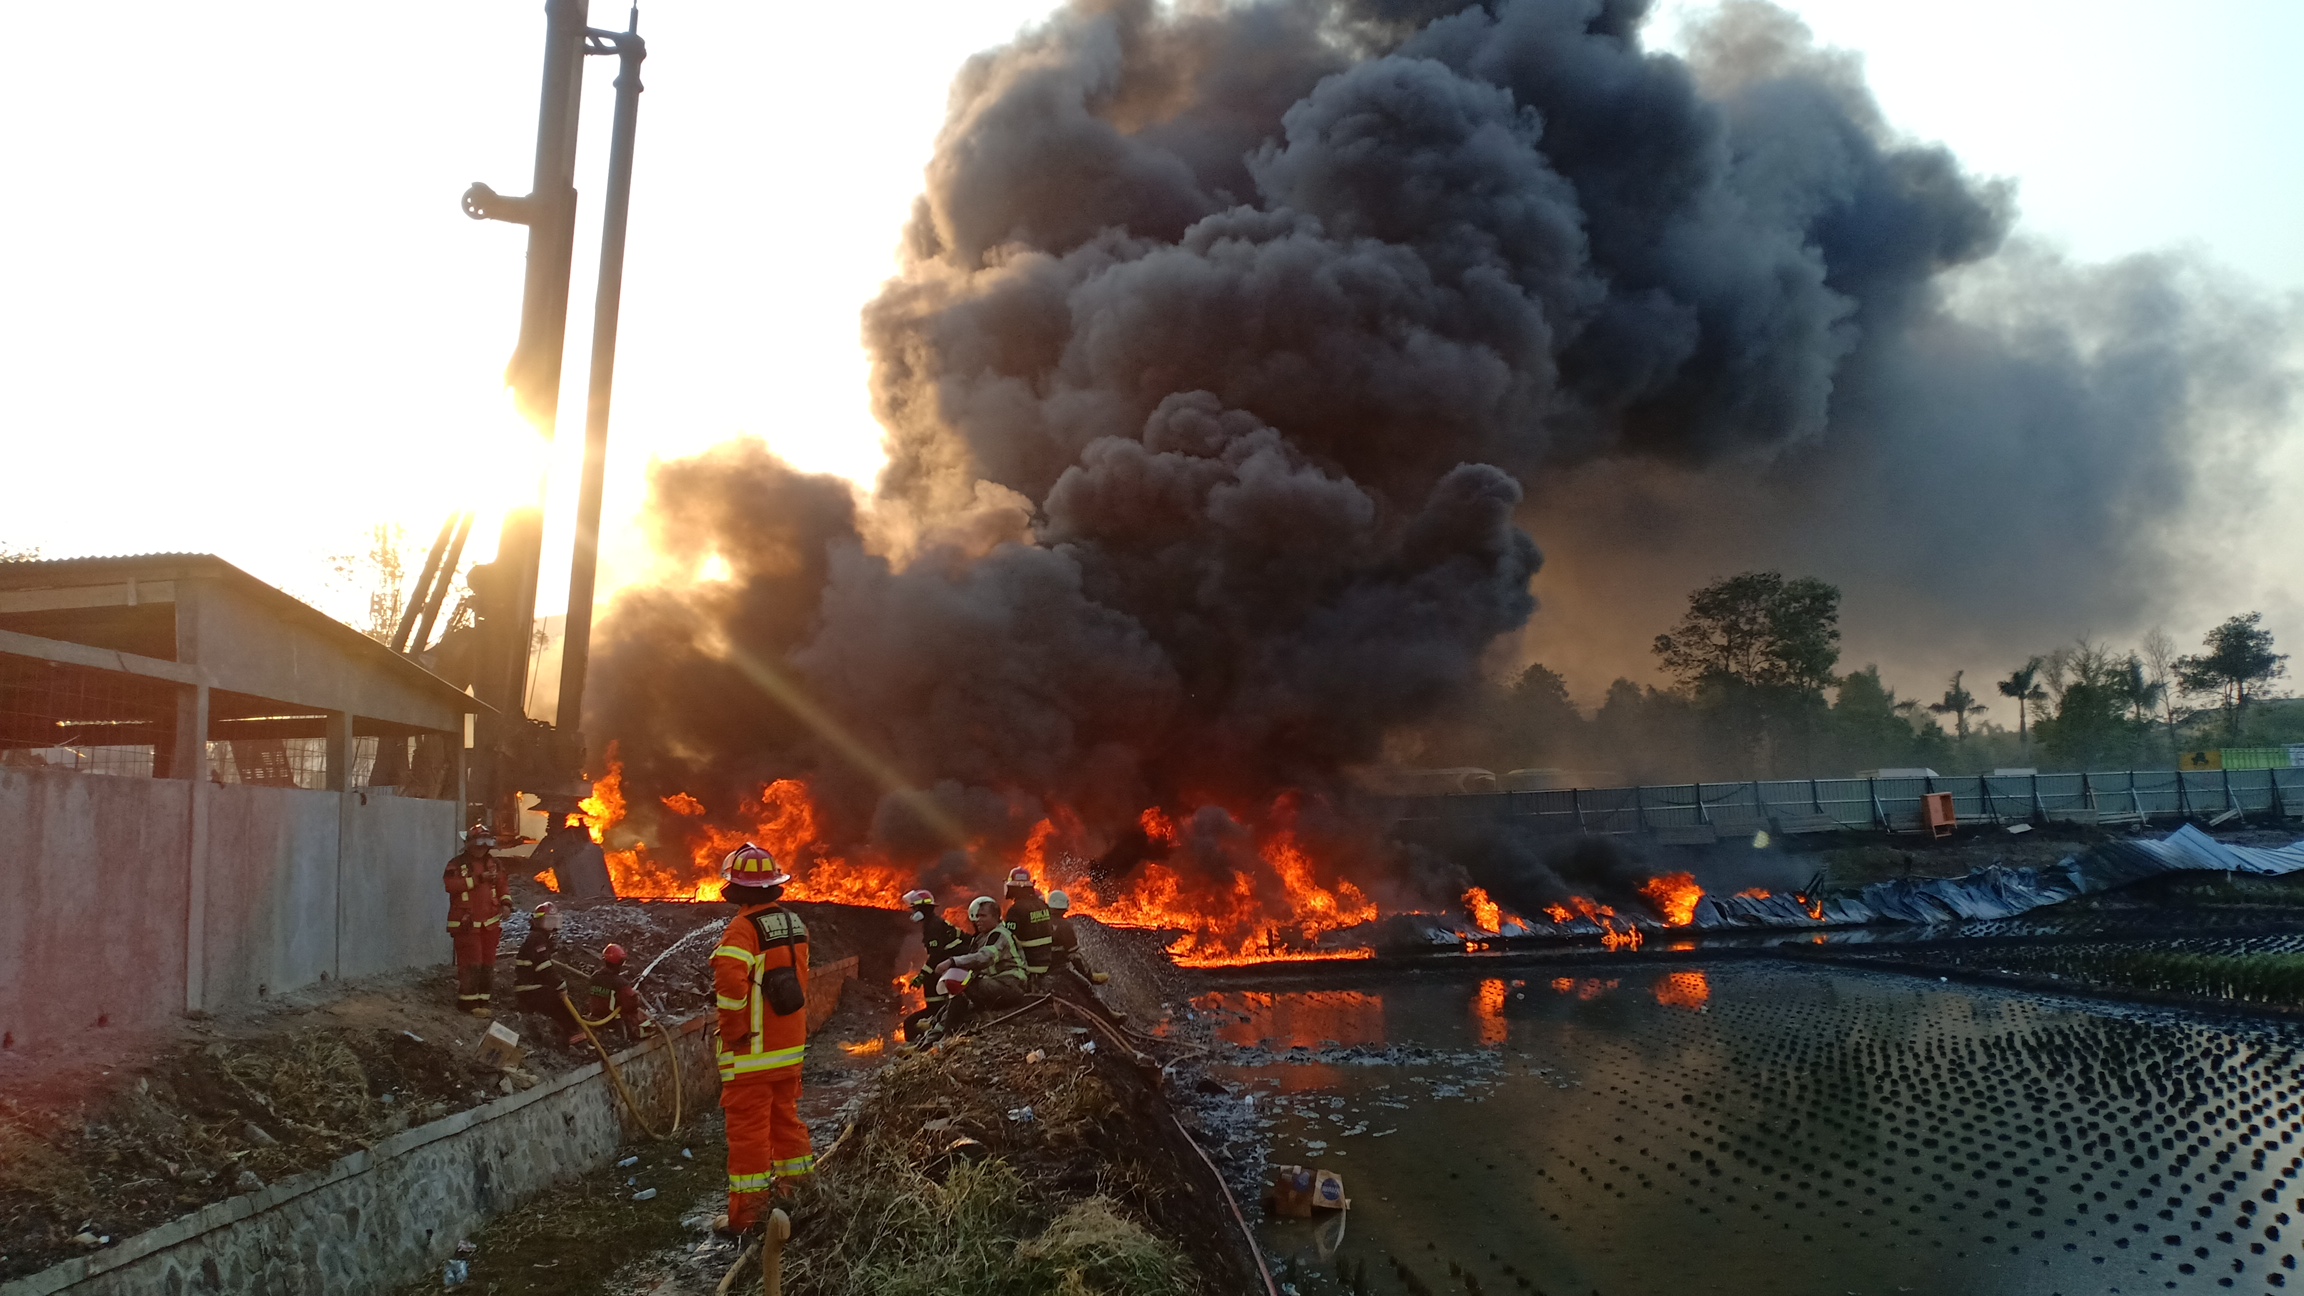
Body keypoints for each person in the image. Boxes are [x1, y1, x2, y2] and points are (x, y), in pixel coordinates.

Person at [712, 843, 813, 1235]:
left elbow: (730, 990)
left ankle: (747, 1220)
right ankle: (800, 1198)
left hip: (751, 1054)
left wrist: (734, 1035)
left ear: (735, 889)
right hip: (787, 1052)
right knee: (787, 1124)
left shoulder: (741, 929)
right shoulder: (794, 924)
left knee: (749, 1137)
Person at [932, 895, 1031, 1033]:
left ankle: (946, 1033)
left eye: (983, 916)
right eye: (977, 916)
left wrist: (952, 961)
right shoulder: (984, 936)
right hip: (999, 983)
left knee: (965, 985)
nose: (978, 920)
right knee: (958, 992)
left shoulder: (999, 935)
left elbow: (985, 958)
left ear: (996, 916)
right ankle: (937, 1027)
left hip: (1010, 985)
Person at [443, 825, 512, 1016]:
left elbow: (503, 886)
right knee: (471, 963)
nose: (481, 849)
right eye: (478, 844)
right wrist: (478, 879)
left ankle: (483, 1002)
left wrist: (506, 904)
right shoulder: (456, 865)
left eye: (485, 844)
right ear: (469, 845)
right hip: (466, 924)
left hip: (489, 924)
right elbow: (450, 885)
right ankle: (468, 1004)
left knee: (487, 963)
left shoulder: (494, 864)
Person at [902, 888, 971, 1042]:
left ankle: (922, 1040)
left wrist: (922, 976)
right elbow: (962, 936)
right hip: (951, 966)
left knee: (916, 1019)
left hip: (948, 967)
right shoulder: (935, 922)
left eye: (915, 909)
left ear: (923, 909)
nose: (913, 912)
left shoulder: (932, 927)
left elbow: (936, 957)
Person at [1045, 890, 1124, 1021]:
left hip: (1040, 967)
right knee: (1085, 987)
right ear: (1065, 907)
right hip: (1058, 968)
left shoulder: (1042, 922)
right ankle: (1108, 1015)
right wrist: (1089, 975)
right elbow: (1074, 956)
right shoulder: (1065, 927)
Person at [513, 902, 580, 1045]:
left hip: (534, 986)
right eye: (549, 921)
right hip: (529, 989)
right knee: (561, 1004)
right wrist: (560, 984)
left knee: (566, 1002)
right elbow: (544, 968)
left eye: (554, 921)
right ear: (539, 921)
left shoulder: (540, 937)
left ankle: (571, 1033)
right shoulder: (537, 938)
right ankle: (572, 1036)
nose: (553, 926)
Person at [1001, 866, 1057, 983]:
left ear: (1014, 887)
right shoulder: (1042, 905)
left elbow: (1007, 939)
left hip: (1028, 963)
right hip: (1046, 960)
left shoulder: (1016, 910)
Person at [584, 943, 646, 1046]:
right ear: (620, 963)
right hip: (614, 1023)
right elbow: (630, 1005)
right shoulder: (620, 983)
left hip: (595, 1018)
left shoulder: (595, 977)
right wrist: (636, 997)